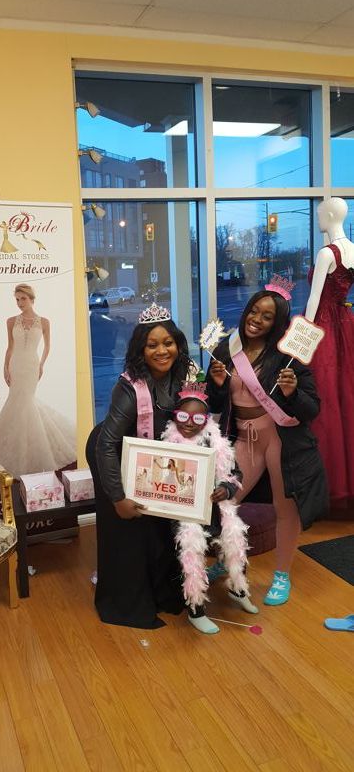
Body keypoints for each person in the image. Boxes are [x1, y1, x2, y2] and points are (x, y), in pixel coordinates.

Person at [206, 282, 328, 605]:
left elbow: (312, 409)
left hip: (278, 439)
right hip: (242, 438)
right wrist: (217, 385)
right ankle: (228, 560)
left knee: (284, 506)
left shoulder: (288, 357)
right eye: (254, 311)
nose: (256, 319)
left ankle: (282, 575)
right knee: (225, 500)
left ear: (277, 323)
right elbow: (214, 403)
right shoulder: (227, 349)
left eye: (267, 316)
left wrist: (292, 393)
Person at [85, 301, 195, 629]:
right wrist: (118, 497)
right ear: (140, 349)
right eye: (152, 345)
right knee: (129, 529)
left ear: (178, 344)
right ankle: (127, 604)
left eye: (168, 343)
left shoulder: (185, 375)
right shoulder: (129, 386)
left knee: (159, 525)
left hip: (152, 457)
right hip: (113, 454)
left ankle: (162, 593)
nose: (161, 351)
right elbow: (106, 444)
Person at [161, 381, 258, 635]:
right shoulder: (166, 444)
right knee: (191, 557)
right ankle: (196, 609)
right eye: (183, 417)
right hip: (185, 514)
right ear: (175, 416)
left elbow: (236, 474)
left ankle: (238, 589)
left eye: (197, 418)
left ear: (206, 420)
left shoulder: (217, 443)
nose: (189, 423)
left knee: (235, 545)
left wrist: (226, 488)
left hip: (216, 510)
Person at [0, 283, 76, 476]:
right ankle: (17, 450)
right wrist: (5, 367)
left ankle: (33, 451)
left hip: (31, 365)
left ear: (32, 299)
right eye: (17, 299)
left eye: (23, 299)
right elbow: (10, 347)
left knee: (26, 402)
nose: (19, 303)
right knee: (17, 402)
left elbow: (47, 346)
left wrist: (41, 364)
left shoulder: (44, 322)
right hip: (16, 365)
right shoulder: (11, 321)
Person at [305, 197, 354, 509]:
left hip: (323, 328)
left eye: (321, 212)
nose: (318, 217)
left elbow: (313, 300)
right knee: (345, 397)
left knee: (324, 401)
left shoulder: (327, 253)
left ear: (332, 214)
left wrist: (303, 338)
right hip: (346, 326)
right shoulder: (353, 250)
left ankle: (328, 487)